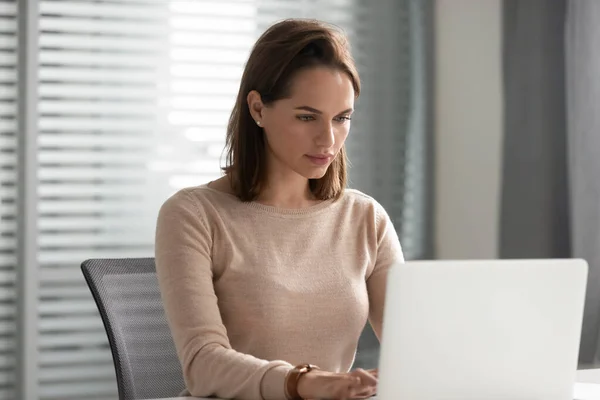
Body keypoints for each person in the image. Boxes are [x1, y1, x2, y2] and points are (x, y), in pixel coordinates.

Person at [155, 18, 404, 400]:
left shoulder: (366, 219)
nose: (328, 139)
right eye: (307, 117)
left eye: (342, 118)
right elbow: (202, 365)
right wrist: (303, 382)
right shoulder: (194, 214)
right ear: (258, 108)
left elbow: (416, 346)